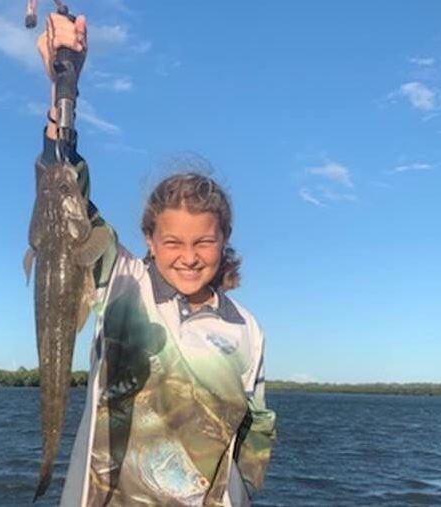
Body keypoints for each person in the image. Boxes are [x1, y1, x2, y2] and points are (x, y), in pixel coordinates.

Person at [36, 13, 276, 506]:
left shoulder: (246, 329)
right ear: (148, 238)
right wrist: (66, 89)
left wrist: (248, 482)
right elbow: (66, 196)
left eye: (203, 243)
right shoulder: (121, 283)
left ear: (224, 238)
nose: (188, 257)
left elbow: (253, 433)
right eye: (172, 242)